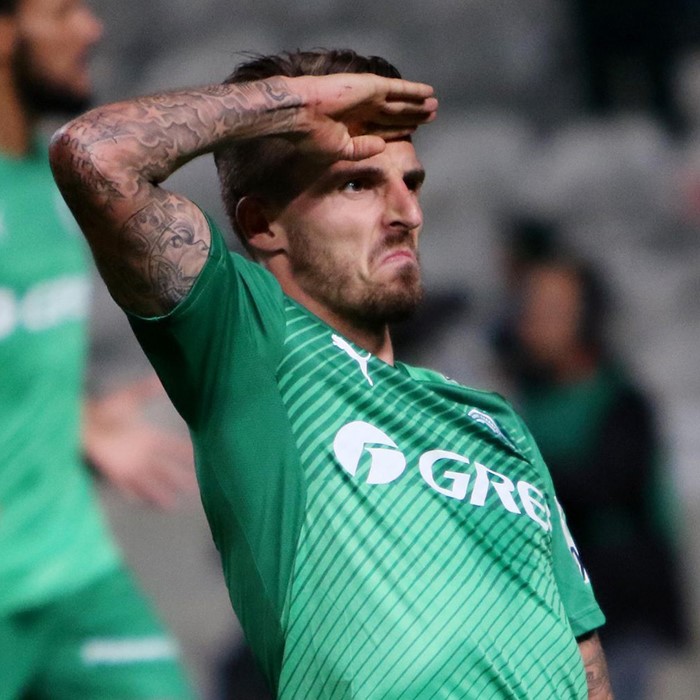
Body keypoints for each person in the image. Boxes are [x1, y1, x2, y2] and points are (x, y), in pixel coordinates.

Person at [50, 48, 613, 699]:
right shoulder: (249, 347)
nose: (406, 213)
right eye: (358, 184)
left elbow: (584, 656)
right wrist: (297, 105)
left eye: (411, 183)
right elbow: (94, 155)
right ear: (263, 224)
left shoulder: (495, 420)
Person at [0, 0, 197, 697]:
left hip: (75, 575)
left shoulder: (51, 183)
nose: (91, 28)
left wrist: (74, 415)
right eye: (62, 11)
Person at [508, 257, 689, 699]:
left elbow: (607, 483)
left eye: (552, 311)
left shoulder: (621, 403)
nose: (533, 323)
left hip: (620, 614)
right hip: (551, 619)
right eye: (530, 309)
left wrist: (524, 470)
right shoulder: (525, 402)